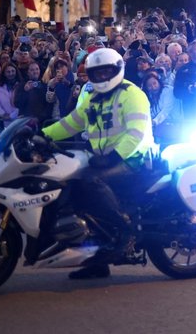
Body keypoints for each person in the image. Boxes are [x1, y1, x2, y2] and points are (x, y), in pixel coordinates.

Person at [41, 47, 155, 281]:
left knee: (91, 181)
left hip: (133, 159)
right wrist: (41, 134)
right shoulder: (93, 98)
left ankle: (124, 231)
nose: (102, 77)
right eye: (97, 73)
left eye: (107, 72)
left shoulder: (131, 94)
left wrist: (114, 157)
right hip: (103, 158)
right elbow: (71, 123)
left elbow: (135, 132)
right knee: (72, 184)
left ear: (117, 71)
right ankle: (96, 259)